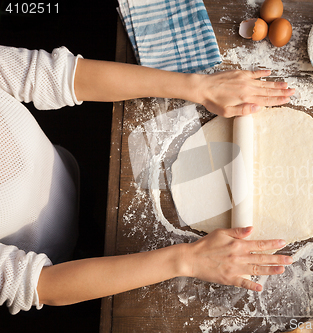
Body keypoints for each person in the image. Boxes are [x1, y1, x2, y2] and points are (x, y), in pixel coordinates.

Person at [0, 45, 295, 314]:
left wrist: (200, 87)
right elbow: (42, 285)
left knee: (92, 200)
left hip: (68, 174)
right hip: (59, 261)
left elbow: (59, 76)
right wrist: (188, 260)